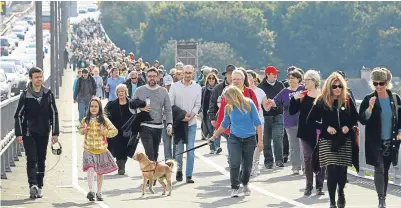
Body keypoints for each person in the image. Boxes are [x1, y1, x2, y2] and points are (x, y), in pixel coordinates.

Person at [307, 72, 359, 208]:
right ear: (329, 87)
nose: (337, 89)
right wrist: (325, 127)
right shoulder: (321, 100)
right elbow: (310, 120)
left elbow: (355, 117)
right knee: (332, 169)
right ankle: (331, 201)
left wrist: (348, 126)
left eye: (340, 86)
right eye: (334, 86)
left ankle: (341, 192)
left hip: (344, 139)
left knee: (342, 170)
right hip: (327, 140)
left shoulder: (347, 99)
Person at [209, 86, 263, 198]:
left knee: (247, 165)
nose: (225, 101)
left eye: (227, 98)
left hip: (249, 139)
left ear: (234, 96)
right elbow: (224, 124)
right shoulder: (228, 108)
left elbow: (258, 123)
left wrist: (260, 142)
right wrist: (214, 136)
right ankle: (234, 187)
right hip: (234, 138)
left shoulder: (249, 104)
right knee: (234, 163)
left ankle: (245, 183)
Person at [358, 68, 401, 208]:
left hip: (391, 141)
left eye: (381, 83)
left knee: (385, 170)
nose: (378, 86)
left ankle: (384, 196)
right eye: (375, 83)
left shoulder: (394, 98)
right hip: (375, 142)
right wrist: (370, 107)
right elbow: (363, 120)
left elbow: (400, 118)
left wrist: (400, 130)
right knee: (379, 169)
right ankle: (381, 199)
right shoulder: (368, 99)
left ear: (387, 82)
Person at [14, 67, 59, 199]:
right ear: (30, 78)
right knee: (31, 159)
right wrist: (19, 133)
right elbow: (18, 115)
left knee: (41, 160)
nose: (39, 79)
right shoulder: (25, 95)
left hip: (44, 132)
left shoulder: (48, 94)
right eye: (36, 77)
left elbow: (54, 113)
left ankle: (39, 186)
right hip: (29, 132)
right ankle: (32, 185)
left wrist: (55, 133)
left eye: (40, 77)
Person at [289, 70, 325, 196]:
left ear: (314, 81)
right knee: (308, 158)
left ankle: (319, 186)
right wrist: (294, 99)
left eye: (307, 80)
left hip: (320, 131)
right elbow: (292, 111)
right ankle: (309, 185)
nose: (304, 82)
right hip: (305, 131)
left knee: (321, 158)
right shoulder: (302, 95)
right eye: (304, 80)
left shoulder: (323, 95)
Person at [78, 97, 118, 202]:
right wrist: (84, 130)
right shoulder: (85, 120)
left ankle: (99, 192)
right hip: (88, 149)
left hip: (101, 150)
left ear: (99, 108)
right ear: (89, 108)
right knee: (90, 169)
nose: (93, 108)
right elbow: (79, 129)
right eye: (92, 106)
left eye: (96, 106)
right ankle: (91, 191)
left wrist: (104, 131)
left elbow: (114, 131)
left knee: (100, 172)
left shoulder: (104, 120)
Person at [169, 65, 202, 183]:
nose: (187, 75)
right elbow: (171, 104)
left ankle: (189, 175)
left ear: (193, 73)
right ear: (182, 73)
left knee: (190, 149)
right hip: (179, 123)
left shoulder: (198, 87)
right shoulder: (174, 87)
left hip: (191, 123)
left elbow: (198, 104)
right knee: (178, 150)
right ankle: (179, 170)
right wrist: (181, 116)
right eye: (185, 72)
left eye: (190, 73)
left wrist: (193, 114)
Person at [133, 67, 173, 162]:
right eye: (150, 76)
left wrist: (169, 124)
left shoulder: (163, 91)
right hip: (144, 125)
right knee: (149, 152)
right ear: (146, 77)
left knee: (155, 153)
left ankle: (153, 173)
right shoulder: (139, 90)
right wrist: (140, 109)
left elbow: (168, 109)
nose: (152, 78)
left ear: (158, 78)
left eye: (154, 76)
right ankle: (151, 176)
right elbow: (131, 106)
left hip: (158, 126)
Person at [104, 84, 133, 175]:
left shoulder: (131, 104)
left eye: (122, 91)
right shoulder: (112, 104)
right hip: (116, 131)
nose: (121, 93)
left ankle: (122, 162)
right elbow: (104, 114)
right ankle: (121, 166)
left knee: (126, 149)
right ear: (117, 93)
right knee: (118, 147)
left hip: (129, 131)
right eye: (119, 91)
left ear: (126, 92)